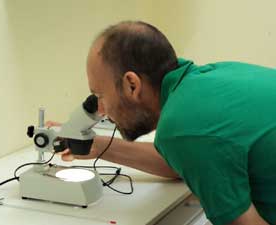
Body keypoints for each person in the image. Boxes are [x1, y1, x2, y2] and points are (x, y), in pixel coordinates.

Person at [47, 21, 276, 225]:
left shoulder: (184, 126)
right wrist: (95, 145)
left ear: (132, 85)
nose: (102, 111)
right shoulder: (209, 79)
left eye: (100, 96)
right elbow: (181, 162)